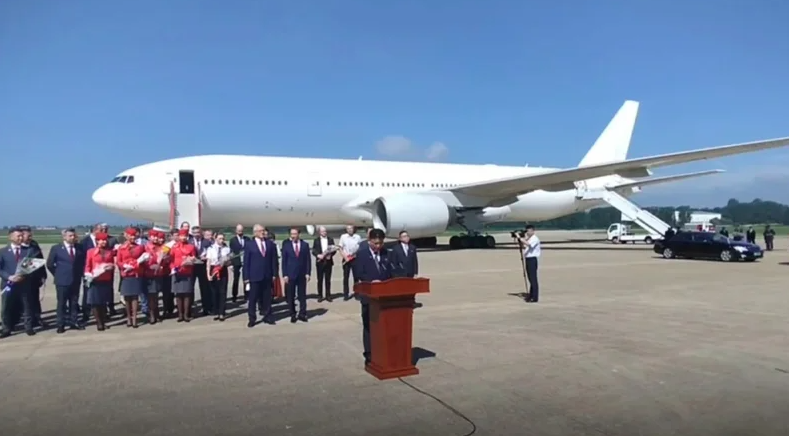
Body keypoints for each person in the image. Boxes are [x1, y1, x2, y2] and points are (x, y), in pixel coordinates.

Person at [353, 228, 393, 366]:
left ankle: (384, 350)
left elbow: (391, 272)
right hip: (368, 296)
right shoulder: (362, 254)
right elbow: (359, 273)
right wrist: (371, 282)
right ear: (369, 241)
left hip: (384, 297)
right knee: (369, 326)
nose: (378, 246)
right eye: (375, 243)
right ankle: (369, 353)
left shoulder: (387, 253)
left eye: (380, 243)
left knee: (384, 326)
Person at [45, 227, 86, 333]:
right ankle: (60, 324)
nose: (72, 237)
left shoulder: (79, 247)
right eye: (70, 236)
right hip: (62, 280)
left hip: (75, 279)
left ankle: (74, 321)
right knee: (62, 303)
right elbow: (50, 264)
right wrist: (58, 274)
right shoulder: (56, 248)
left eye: (74, 236)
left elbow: (82, 262)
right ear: (64, 237)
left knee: (74, 302)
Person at [0, 228, 35, 337]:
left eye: (21, 236)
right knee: (6, 307)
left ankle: (28, 327)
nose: (21, 238)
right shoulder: (3, 252)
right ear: (10, 237)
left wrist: (24, 275)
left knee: (27, 306)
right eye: (18, 236)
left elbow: (31, 266)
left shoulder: (28, 251)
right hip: (8, 284)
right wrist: (9, 277)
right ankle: (6, 328)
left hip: (24, 283)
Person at [243, 224, 279, 327]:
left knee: (267, 298)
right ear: (255, 233)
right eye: (260, 231)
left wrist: (274, 273)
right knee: (253, 299)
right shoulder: (249, 245)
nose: (263, 232)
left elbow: (274, 260)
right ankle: (252, 318)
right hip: (254, 276)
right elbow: (246, 262)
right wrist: (246, 277)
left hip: (267, 275)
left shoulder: (270, 244)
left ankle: (267, 316)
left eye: (263, 230)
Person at [116, 228, 148, 328]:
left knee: (135, 297)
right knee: (127, 298)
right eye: (130, 235)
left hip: (136, 274)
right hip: (126, 275)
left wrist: (138, 263)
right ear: (126, 236)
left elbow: (144, 260)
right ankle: (128, 318)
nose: (132, 237)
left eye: (134, 235)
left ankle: (134, 319)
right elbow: (118, 261)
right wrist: (124, 266)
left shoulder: (140, 247)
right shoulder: (121, 248)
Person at [83, 232, 115, 331]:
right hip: (94, 279)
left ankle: (103, 321)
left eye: (105, 240)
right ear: (97, 241)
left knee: (103, 302)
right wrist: (88, 274)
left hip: (105, 279)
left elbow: (112, 264)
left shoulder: (109, 252)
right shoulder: (91, 251)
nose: (103, 242)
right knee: (95, 302)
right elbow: (87, 265)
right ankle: (99, 323)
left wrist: (110, 267)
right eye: (101, 240)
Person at [19, 226, 47, 330]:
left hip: (34, 278)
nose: (30, 237)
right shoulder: (18, 247)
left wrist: (43, 275)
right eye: (28, 235)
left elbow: (40, 260)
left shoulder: (34, 245)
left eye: (31, 235)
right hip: (21, 278)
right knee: (23, 301)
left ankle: (37, 318)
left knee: (35, 299)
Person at [282, 228, 311, 323]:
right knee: (291, 296)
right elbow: (284, 261)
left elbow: (308, 260)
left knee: (302, 296)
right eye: (291, 234)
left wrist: (308, 273)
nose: (293, 236)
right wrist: (285, 274)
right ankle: (292, 314)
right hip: (290, 274)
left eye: (295, 234)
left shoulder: (305, 245)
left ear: (299, 234)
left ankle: (302, 314)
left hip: (302, 274)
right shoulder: (286, 246)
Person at [171, 229, 198, 322]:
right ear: (178, 236)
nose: (183, 237)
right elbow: (171, 259)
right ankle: (180, 315)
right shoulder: (174, 247)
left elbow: (194, 259)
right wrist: (173, 268)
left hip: (187, 273)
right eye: (181, 236)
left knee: (187, 294)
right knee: (178, 294)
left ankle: (186, 314)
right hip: (177, 273)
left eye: (185, 236)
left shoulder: (191, 247)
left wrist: (190, 262)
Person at [143, 230, 169, 325]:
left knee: (156, 295)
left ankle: (156, 313)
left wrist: (164, 260)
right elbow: (143, 260)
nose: (155, 238)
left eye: (157, 237)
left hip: (158, 274)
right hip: (149, 274)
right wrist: (150, 265)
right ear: (149, 237)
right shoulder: (146, 247)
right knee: (151, 295)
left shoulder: (161, 248)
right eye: (153, 236)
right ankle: (152, 315)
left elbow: (164, 261)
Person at [206, 232, 231, 321]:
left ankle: (222, 312)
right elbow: (208, 262)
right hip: (213, 269)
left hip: (223, 270)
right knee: (214, 292)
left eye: (223, 239)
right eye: (220, 238)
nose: (222, 240)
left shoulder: (227, 249)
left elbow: (229, 262)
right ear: (215, 238)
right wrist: (208, 274)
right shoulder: (211, 248)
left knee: (222, 292)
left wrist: (227, 262)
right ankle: (216, 311)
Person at [518, 225, 541, 303]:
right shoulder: (530, 238)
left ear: (533, 231)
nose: (527, 233)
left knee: (533, 278)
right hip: (528, 259)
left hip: (532, 259)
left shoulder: (535, 238)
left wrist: (520, 238)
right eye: (527, 231)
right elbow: (525, 246)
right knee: (530, 278)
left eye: (528, 231)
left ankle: (535, 297)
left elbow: (528, 244)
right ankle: (531, 295)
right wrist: (521, 241)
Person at [312, 226, 335, 302]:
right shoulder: (316, 240)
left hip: (328, 262)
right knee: (320, 280)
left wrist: (330, 255)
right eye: (323, 231)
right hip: (320, 262)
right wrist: (318, 255)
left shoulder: (330, 239)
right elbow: (314, 250)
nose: (324, 232)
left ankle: (328, 295)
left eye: (325, 231)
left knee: (328, 280)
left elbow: (334, 249)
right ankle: (320, 296)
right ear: (319, 232)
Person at [338, 225, 362, 301]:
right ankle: (346, 294)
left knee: (356, 277)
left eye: (351, 228)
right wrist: (345, 257)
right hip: (346, 259)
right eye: (348, 229)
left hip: (355, 259)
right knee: (346, 277)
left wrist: (355, 255)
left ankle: (357, 293)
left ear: (353, 229)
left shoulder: (357, 237)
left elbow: (360, 248)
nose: (349, 230)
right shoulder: (343, 237)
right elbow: (340, 248)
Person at [228, 224, 249, 302]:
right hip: (236, 262)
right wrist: (231, 264)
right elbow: (231, 252)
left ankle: (247, 295)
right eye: (239, 230)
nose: (240, 232)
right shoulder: (232, 240)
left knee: (246, 279)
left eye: (241, 230)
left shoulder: (247, 239)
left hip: (245, 262)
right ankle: (234, 296)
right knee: (236, 280)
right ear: (236, 231)